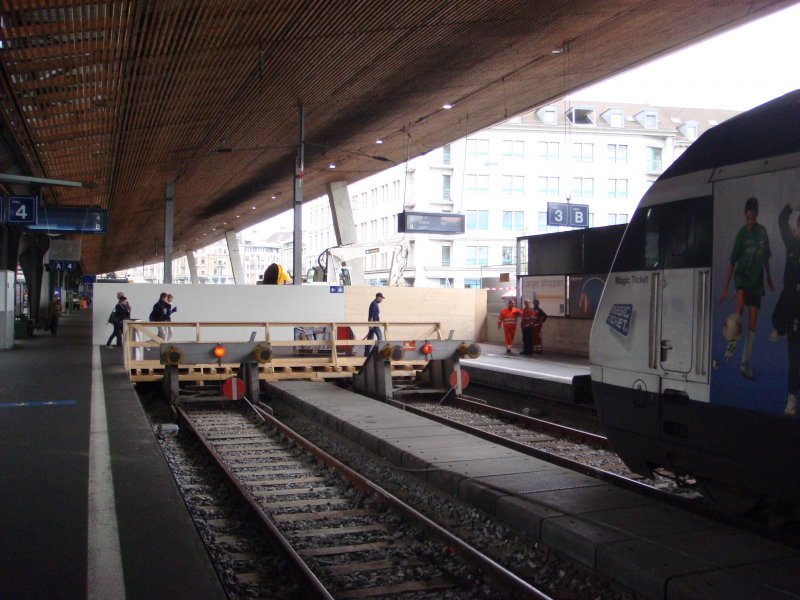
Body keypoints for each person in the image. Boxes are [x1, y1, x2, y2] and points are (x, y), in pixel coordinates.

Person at [719, 196, 774, 379]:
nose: (750, 221)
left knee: (752, 325)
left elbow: (765, 258)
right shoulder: (742, 234)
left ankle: (744, 362)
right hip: (742, 279)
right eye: (747, 218)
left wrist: (769, 278)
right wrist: (726, 288)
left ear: (756, 216)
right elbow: (732, 262)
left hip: (756, 283)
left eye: (752, 218)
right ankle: (732, 342)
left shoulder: (762, 233)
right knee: (739, 309)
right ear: (745, 216)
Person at [769, 204, 800, 415]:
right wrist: (790, 207)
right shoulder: (792, 243)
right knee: (794, 358)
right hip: (790, 299)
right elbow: (781, 222)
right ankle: (792, 399)